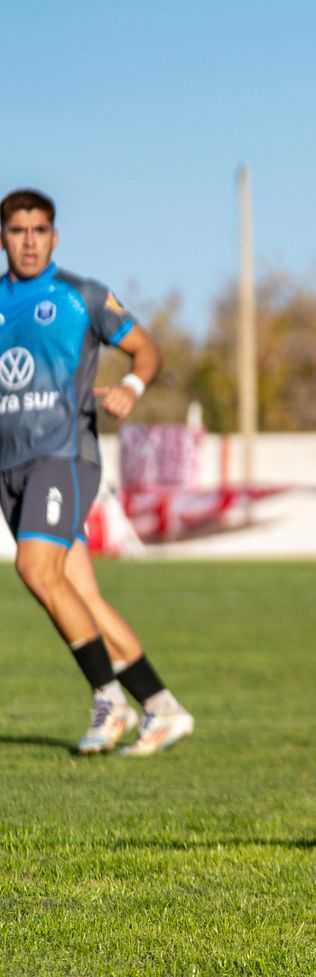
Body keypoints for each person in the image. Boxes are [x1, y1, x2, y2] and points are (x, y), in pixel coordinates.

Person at [0, 189, 194, 755]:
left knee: (36, 569)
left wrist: (132, 388)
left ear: (54, 237)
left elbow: (147, 350)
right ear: (4, 237)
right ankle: (161, 707)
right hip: (9, 466)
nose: (29, 241)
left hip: (64, 457)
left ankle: (107, 700)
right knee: (79, 592)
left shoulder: (80, 295)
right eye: (17, 231)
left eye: (39, 230)